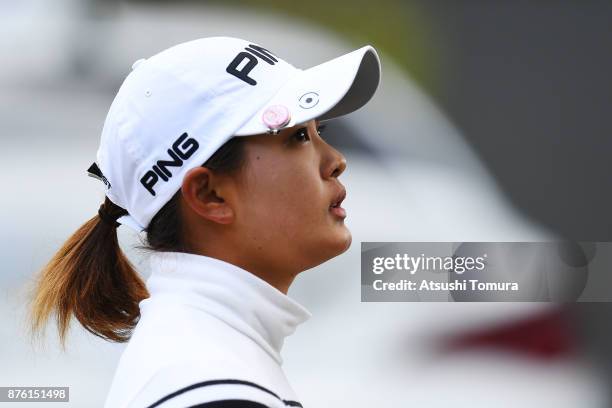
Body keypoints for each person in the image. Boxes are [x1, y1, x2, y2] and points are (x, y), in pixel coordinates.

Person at [27, 36, 381, 408]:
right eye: (297, 137)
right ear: (210, 195)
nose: (336, 160)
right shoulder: (214, 385)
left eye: (318, 132)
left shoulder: (204, 358)